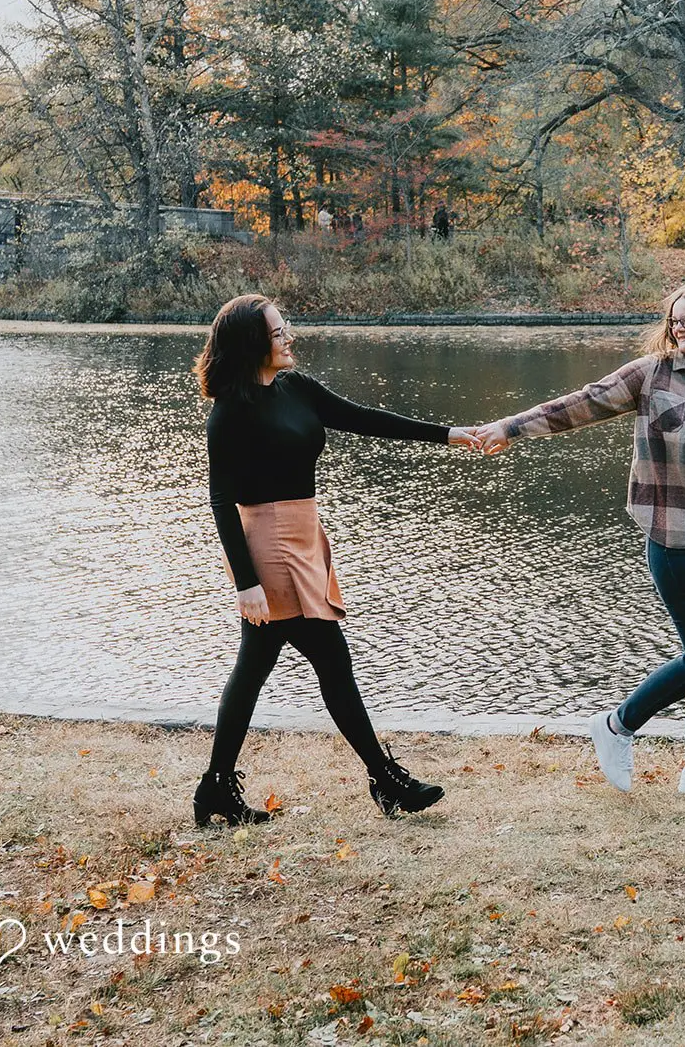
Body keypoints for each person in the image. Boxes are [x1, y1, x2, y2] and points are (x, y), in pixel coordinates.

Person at [472, 278, 685, 800]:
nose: (677, 328)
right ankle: (616, 725)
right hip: (683, 537)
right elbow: (580, 404)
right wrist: (510, 427)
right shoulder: (654, 375)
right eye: (673, 320)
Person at [192, 294, 481, 827]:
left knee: (257, 666)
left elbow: (364, 418)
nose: (289, 337)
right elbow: (220, 502)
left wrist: (446, 435)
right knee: (328, 659)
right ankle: (386, 780)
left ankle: (215, 788)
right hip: (270, 546)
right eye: (279, 333)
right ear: (254, 342)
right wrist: (245, 582)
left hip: (304, 535)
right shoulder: (231, 413)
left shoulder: (295, 389)